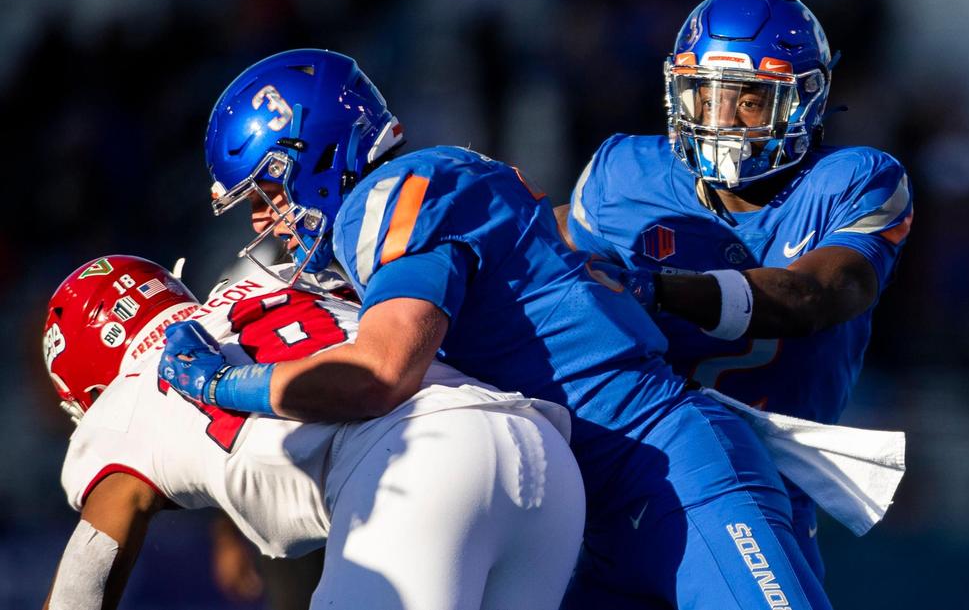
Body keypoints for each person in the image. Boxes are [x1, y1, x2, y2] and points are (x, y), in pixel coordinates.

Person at [162, 47, 843, 609]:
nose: (263, 220)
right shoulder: (398, 212)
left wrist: (226, 383)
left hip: (669, 472)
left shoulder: (390, 199)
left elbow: (377, 374)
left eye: (268, 193)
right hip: (600, 513)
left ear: (308, 156)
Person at [554, 0, 914, 577]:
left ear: (805, 99)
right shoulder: (622, 175)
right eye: (703, 96)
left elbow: (812, 297)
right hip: (612, 476)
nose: (720, 120)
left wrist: (656, 288)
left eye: (748, 100)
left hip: (758, 490)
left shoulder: (855, 181)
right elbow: (532, 262)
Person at [40, 255, 584, 610]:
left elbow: (85, 578)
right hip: (538, 449)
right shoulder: (270, 280)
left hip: (421, 468)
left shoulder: (125, 397)